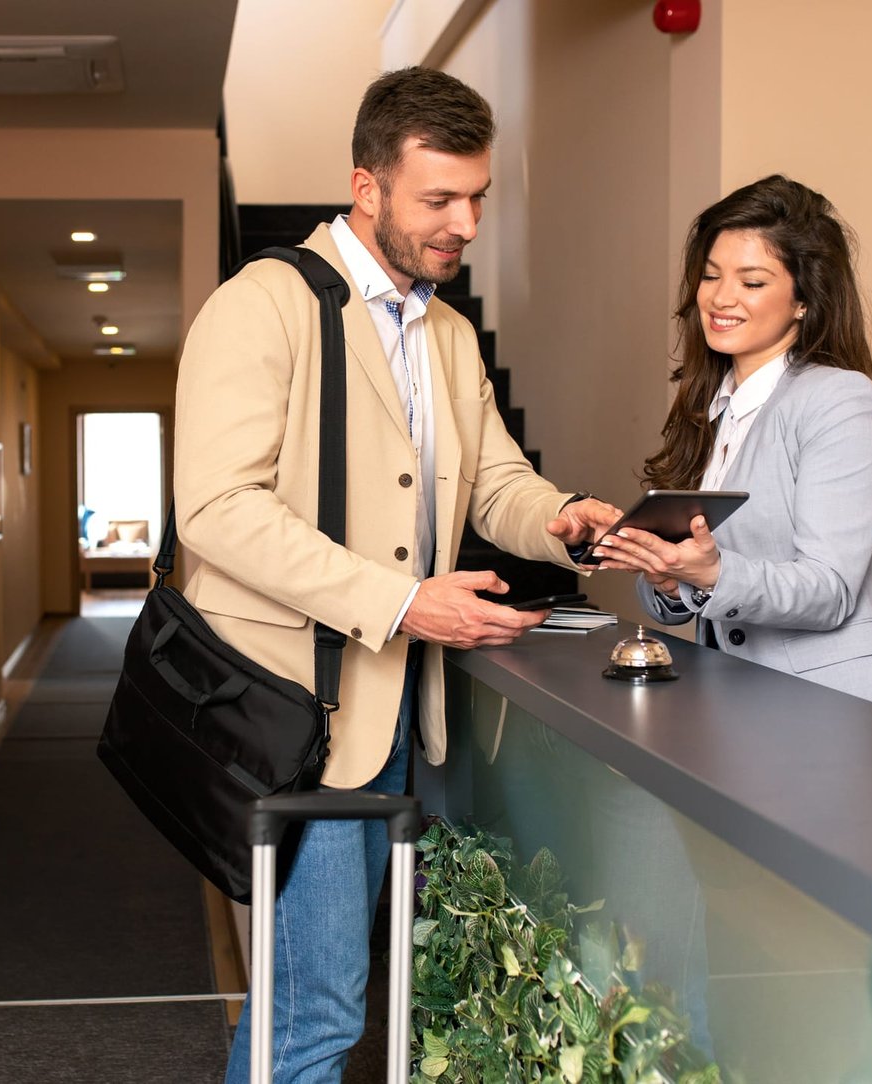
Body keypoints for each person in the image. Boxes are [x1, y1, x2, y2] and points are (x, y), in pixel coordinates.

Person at [173, 67, 620, 1081]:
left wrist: (562, 519)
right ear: (365, 187)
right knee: (320, 1015)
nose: (464, 223)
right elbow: (214, 507)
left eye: (477, 199)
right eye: (438, 200)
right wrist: (404, 601)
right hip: (299, 723)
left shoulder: (448, 333)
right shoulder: (264, 306)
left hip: (398, 720)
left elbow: (493, 482)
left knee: (312, 1004)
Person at [590, 174, 872, 722]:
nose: (720, 297)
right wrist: (667, 574)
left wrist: (709, 572)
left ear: (804, 299)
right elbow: (705, 585)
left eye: (751, 282)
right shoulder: (717, 406)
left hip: (841, 714)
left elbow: (829, 591)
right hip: (743, 710)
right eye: (710, 276)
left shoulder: (840, 399)